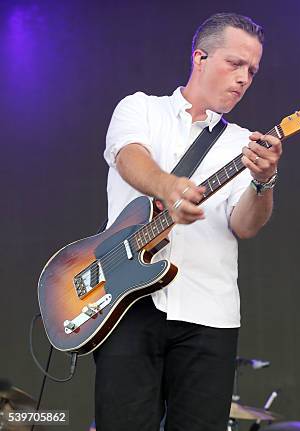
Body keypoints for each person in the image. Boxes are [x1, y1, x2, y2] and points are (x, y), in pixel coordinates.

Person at [95, 13, 282, 431]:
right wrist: (169, 187)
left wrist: (264, 181)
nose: (244, 78)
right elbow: (129, 157)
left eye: (252, 71)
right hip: (126, 306)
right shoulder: (141, 108)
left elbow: (246, 225)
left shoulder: (243, 142)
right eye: (235, 64)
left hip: (208, 315)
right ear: (200, 57)